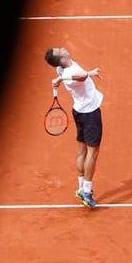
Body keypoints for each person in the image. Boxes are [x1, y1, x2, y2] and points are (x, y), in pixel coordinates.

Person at [45, 47, 103, 208]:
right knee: (93, 152)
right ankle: (86, 191)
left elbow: (63, 75)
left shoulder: (61, 69)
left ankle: (80, 187)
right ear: (62, 60)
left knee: (82, 148)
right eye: (60, 51)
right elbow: (81, 76)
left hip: (78, 111)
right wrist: (90, 72)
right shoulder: (74, 74)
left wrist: (58, 80)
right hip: (90, 113)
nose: (63, 48)